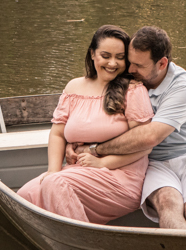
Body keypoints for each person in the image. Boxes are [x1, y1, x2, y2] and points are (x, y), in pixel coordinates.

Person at [67, 26, 186, 230]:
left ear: (162, 63)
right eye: (129, 61)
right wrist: (72, 143)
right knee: (168, 203)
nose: (130, 69)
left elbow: (149, 137)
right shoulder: (128, 80)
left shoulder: (183, 88)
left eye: (138, 65)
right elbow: (93, 119)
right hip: (154, 162)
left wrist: (92, 149)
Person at [17, 25, 154, 225]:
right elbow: (57, 134)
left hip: (122, 177)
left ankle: (88, 247)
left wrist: (102, 163)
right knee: (25, 195)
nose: (113, 63)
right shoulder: (74, 87)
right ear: (92, 54)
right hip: (79, 171)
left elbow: (145, 145)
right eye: (105, 55)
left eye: (120, 57)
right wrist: (53, 170)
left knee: (55, 184)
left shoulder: (133, 90)